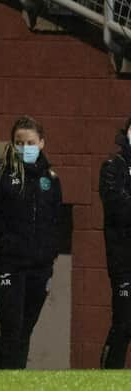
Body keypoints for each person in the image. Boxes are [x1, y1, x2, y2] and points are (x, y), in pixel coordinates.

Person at [0, 115, 62, 369]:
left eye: (30, 142)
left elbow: (57, 221)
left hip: (40, 267)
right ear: (12, 144)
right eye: (19, 143)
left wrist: (50, 254)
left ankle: (18, 379)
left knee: (25, 330)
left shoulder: (51, 180)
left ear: (42, 143)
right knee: (11, 327)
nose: (25, 148)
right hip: (8, 266)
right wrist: (0, 249)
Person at [99, 116, 131, 369]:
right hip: (124, 263)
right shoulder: (113, 167)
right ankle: (108, 379)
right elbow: (119, 208)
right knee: (123, 323)